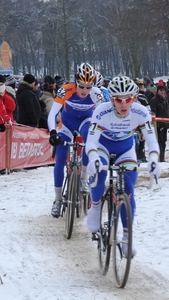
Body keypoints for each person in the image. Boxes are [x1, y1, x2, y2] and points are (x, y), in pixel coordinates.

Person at [85, 76, 161, 256]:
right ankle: (95, 206)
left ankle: (127, 238)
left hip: (126, 150)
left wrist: (154, 159)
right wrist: (93, 156)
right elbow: (91, 142)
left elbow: (152, 141)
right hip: (103, 147)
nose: (124, 103)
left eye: (129, 98)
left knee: (128, 189)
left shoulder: (141, 112)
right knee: (100, 171)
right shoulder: (102, 112)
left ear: (135, 98)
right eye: (119, 99)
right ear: (112, 99)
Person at [47, 63, 103, 218]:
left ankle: (83, 178)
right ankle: (58, 200)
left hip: (85, 121)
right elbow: (52, 114)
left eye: (88, 86)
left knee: (89, 139)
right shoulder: (66, 89)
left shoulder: (96, 93)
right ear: (75, 82)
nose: (85, 91)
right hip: (66, 124)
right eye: (81, 86)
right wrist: (53, 132)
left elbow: (102, 115)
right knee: (60, 159)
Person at [150, 85, 169, 162]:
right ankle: (159, 157)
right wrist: (156, 123)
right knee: (159, 141)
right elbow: (153, 112)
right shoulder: (154, 100)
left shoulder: (165, 100)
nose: (163, 92)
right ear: (158, 91)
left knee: (163, 141)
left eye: (164, 90)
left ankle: (162, 157)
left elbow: (167, 112)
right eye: (161, 90)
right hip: (158, 124)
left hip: (165, 123)